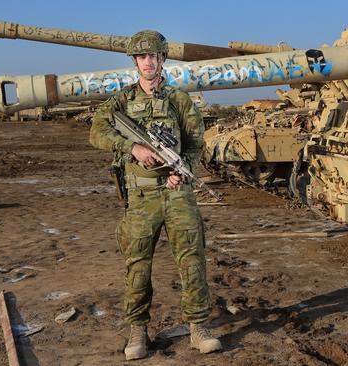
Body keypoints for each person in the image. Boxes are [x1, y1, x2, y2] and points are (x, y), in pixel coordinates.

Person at [88, 30, 222, 360]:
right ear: (135, 61)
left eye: (155, 56)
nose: (149, 61)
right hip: (141, 197)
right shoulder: (120, 101)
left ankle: (198, 327)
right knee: (137, 267)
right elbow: (97, 131)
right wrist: (131, 147)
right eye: (143, 57)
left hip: (178, 194)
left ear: (162, 59)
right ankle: (138, 331)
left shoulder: (179, 100)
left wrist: (183, 169)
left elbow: (194, 142)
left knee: (192, 262)